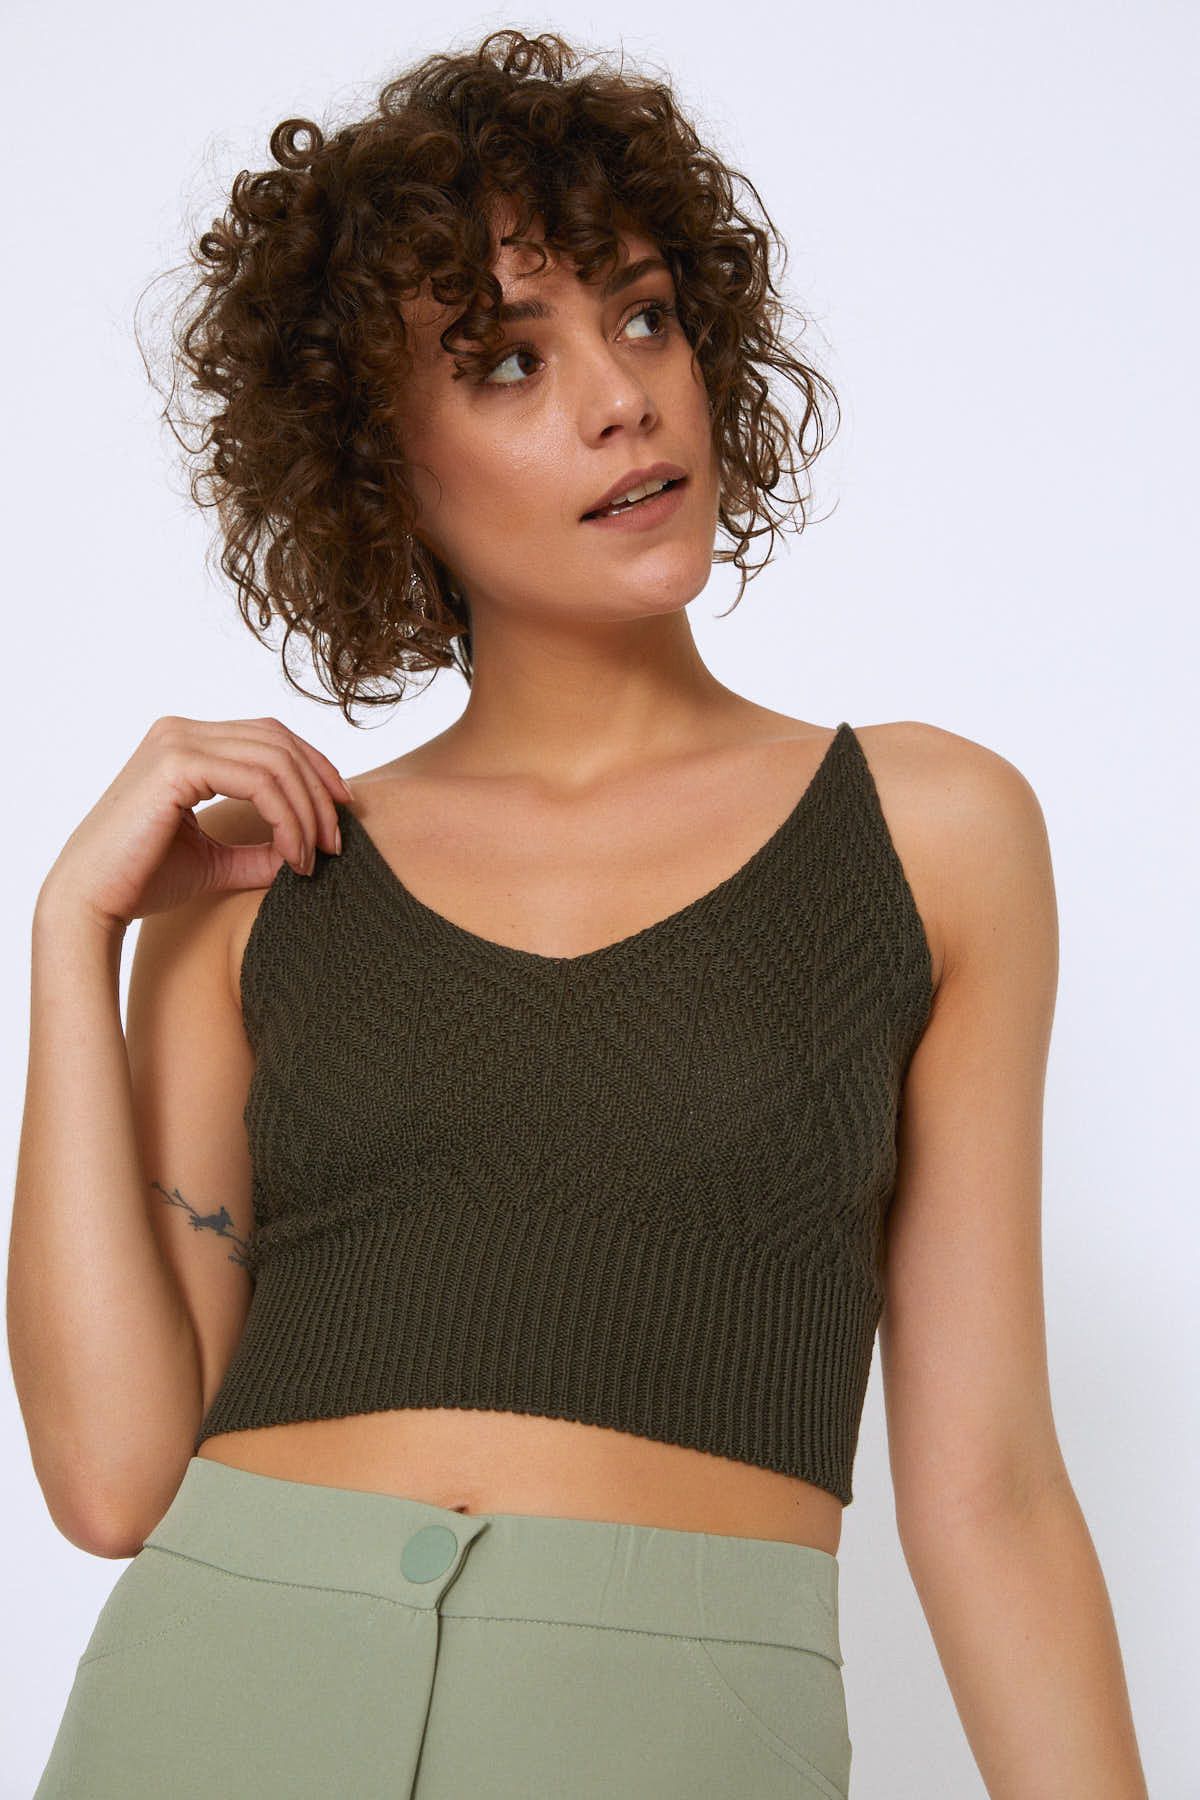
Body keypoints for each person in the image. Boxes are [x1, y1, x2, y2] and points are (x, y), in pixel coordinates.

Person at [12, 28, 1147, 1799]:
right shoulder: (264, 887)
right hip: (215, 1697)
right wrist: (68, 937)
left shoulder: (925, 834)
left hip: (672, 1725)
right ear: (377, 462)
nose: (623, 400)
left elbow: (991, 1487)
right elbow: (108, 1482)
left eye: (643, 317)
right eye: (507, 362)